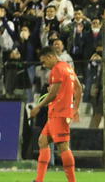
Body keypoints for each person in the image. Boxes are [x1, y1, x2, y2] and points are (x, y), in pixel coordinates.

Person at [30, 46, 82, 182]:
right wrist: (75, 108)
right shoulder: (67, 67)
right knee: (42, 141)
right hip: (57, 113)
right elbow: (79, 88)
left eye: (44, 61)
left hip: (59, 113)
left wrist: (38, 107)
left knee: (63, 146)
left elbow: (53, 94)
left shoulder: (57, 69)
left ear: (50, 56)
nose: (44, 65)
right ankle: (39, 180)